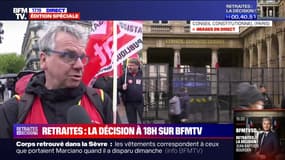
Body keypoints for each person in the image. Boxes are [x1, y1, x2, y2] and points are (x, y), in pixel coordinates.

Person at [0, 24, 115, 138]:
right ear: (44, 60)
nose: (80, 65)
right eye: (69, 55)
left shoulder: (101, 100)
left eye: (82, 57)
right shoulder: (12, 111)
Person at [120, 58, 143, 123]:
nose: (129, 67)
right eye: (128, 65)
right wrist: (122, 87)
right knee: (132, 121)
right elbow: (118, 86)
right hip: (129, 103)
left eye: (131, 65)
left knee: (143, 120)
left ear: (137, 66)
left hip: (140, 102)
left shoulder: (142, 74)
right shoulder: (124, 75)